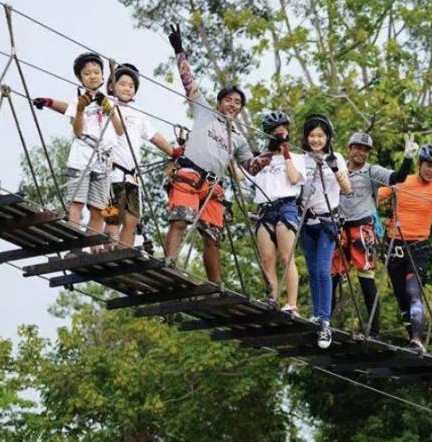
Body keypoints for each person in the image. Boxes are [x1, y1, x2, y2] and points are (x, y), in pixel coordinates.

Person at [164, 24, 260, 284]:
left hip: (213, 186)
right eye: (229, 100)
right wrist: (179, 51)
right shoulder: (204, 111)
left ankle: (215, 284)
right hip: (189, 173)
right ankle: (169, 264)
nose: (233, 105)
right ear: (220, 102)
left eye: (237, 103)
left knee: (213, 236)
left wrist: (272, 153)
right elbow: (189, 82)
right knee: (181, 221)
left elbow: (250, 167)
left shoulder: (238, 138)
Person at [32, 52, 124, 249]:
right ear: (80, 78)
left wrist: (109, 110)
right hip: (81, 159)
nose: (92, 76)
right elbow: (78, 130)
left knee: (98, 209)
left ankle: (95, 248)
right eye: (87, 73)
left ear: (102, 76)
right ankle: (74, 246)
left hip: (102, 161)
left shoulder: (109, 102)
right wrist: (81, 110)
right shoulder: (77, 103)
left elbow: (119, 130)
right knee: (77, 204)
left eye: (96, 72)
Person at [331, 131, 416, 337]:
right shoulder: (337, 169)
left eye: (365, 149)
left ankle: (374, 331)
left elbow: (397, 178)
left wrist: (407, 159)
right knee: (332, 274)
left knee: (365, 277)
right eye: (357, 148)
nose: (361, 153)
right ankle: (324, 320)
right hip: (340, 227)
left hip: (363, 226)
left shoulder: (372, 171)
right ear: (349, 149)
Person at [377, 143, 432, 353]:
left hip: (419, 246)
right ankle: (411, 340)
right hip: (394, 244)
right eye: (429, 165)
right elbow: (377, 196)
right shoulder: (402, 181)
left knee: (413, 290)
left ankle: (417, 340)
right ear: (419, 164)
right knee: (401, 296)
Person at [102, 63, 176, 250]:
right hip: (112, 171)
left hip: (133, 175)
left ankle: (123, 252)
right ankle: (108, 249)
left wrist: (174, 153)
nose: (127, 88)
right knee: (113, 216)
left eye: (131, 86)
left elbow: (154, 136)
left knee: (132, 219)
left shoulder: (139, 115)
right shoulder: (106, 106)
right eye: (123, 84)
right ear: (112, 86)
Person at [299, 114, 351, 349]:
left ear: (327, 137)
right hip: (307, 221)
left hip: (328, 221)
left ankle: (325, 320)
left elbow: (347, 189)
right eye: (312, 135)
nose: (316, 140)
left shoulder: (336, 157)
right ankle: (317, 314)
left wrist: (335, 170)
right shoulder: (302, 159)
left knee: (322, 269)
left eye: (320, 135)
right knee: (312, 271)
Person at [246, 111, 305, 314]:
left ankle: (292, 303)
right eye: (275, 132)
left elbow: (295, 178)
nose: (280, 134)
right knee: (267, 259)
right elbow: (245, 177)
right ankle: (271, 298)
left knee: (286, 257)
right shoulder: (262, 160)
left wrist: (285, 152)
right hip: (265, 210)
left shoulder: (297, 157)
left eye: (283, 130)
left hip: (286, 206)